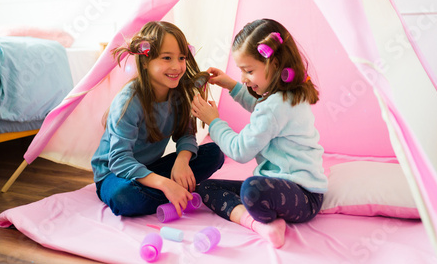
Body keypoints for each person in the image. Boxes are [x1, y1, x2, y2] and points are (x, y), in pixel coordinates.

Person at [191, 18, 327, 248]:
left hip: (303, 196)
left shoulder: (275, 107)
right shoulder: (287, 95)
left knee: (252, 190)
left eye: (248, 70)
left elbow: (240, 150)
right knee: (206, 187)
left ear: (273, 63)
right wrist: (232, 86)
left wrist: (213, 122)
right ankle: (262, 225)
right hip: (283, 188)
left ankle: (259, 221)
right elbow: (262, 108)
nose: (244, 78)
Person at [92, 21, 224, 217]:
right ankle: (175, 191)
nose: (177, 66)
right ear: (145, 62)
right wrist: (164, 183)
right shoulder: (129, 101)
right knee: (124, 197)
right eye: (166, 58)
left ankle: (168, 191)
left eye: (181, 58)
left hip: (148, 169)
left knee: (215, 153)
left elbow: (186, 135)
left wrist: (182, 160)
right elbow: (119, 160)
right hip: (115, 173)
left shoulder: (178, 94)